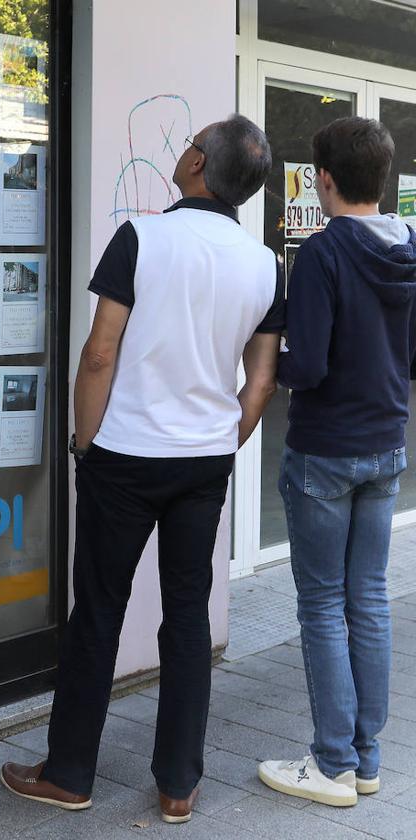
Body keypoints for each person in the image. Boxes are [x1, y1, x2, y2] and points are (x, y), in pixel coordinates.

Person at [0, 114, 283, 824]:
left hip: (123, 458)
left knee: (98, 611)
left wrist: (83, 444)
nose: (186, 148)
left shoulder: (142, 238)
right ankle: (178, 785)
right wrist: (224, 442)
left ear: (196, 165)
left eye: (194, 141)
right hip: (202, 463)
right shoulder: (266, 264)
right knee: (187, 615)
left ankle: (68, 774)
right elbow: (261, 381)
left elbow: (100, 352)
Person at [258, 117, 416, 808]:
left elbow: (310, 365)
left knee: (323, 605)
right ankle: (367, 761)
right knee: (369, 600)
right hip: (386, 446)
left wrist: (266, 357)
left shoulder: (320, 255)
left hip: (325, 452)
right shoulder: (411, 247)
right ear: (383, 180)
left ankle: (330, 765)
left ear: (323, 179)